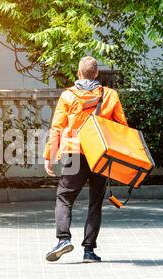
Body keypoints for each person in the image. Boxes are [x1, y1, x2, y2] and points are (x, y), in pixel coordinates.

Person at [43, 56, 128, 263]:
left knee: (64, 197)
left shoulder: (68, 96)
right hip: (100, 154)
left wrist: (49, 155)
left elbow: (57, 128)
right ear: (97, 74)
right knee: (95, 202)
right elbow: (122, 127)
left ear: (78, 74)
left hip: (74, 153)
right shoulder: (110, 95)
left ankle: (63, 238)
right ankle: (89, 251)